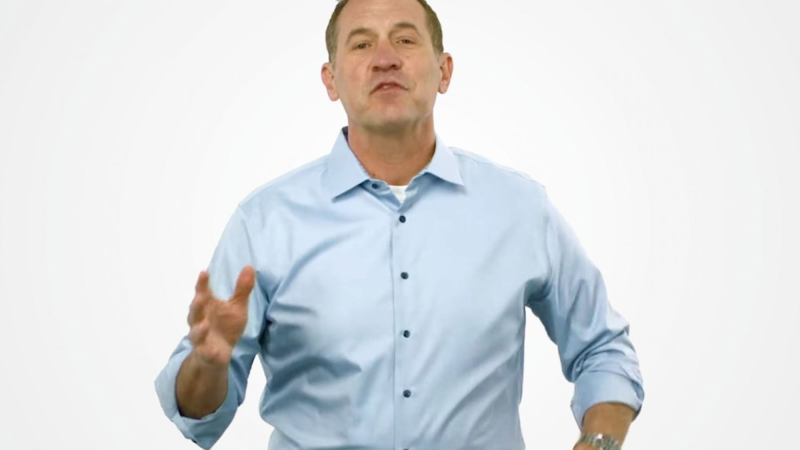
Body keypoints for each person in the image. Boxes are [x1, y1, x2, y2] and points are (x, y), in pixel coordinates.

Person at [154, 0, 645, 449]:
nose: (385, 58)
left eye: (405, 39)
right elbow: (198, 415)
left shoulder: (519, 208)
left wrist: (598, 442)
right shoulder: (265, 222)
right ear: (330, 80)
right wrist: (208, 364)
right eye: (361, 44)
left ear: (444, 71)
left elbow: (602, 348)